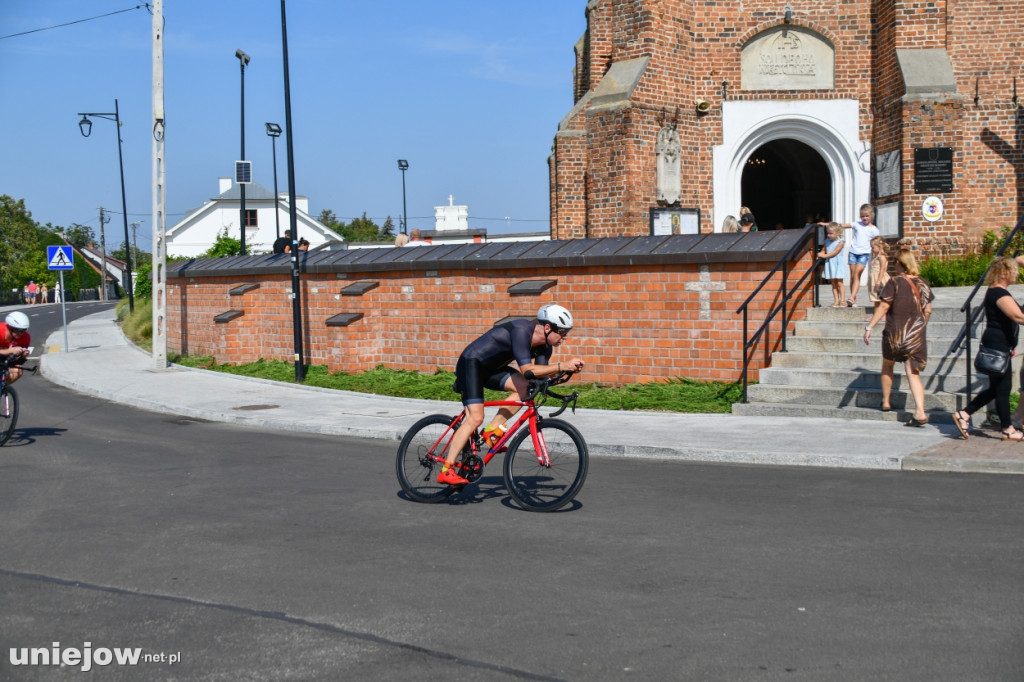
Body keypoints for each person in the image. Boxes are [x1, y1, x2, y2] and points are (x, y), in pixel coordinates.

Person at [438, 304, 585, 485]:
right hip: (472, 363)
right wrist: (563, 365)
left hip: (493, 369)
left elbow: (540, 374)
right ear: (547, 328)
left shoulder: (545, 346)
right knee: (475, 418)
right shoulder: (521, 331)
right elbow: (528, 370)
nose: (564, 337)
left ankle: (491, 432)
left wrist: (565, 373)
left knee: (525, 387)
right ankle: (446, 469)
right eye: (562, 332)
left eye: (566, 332)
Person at [951, 256, 1024, 440]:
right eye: (1014, 271)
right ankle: (1007, 429)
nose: (1017, 273)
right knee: (1003, 389)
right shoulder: (999, 294)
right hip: (997, 345)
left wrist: (1012, 344)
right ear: (1005, 272)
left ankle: (964, 414)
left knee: (996, 388)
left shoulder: (996, 292)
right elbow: (1018, 317)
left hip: (1000, 344)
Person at [863, 249, 934, 425]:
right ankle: (920, 411)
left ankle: (886, 402)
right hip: (915, 335)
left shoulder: (894, 282)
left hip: (895, 332)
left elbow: (884, 306)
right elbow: (928, 310)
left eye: (896, 263)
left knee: (888, 364)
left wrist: (870, 326)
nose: (895, 266)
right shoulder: (923, 283)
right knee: (913, 372)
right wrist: (921, 325)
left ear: (901, 264)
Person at [838, 203, 879, 307]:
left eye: (867, 216)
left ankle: (851, 297)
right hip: (853, 252)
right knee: (852, 276)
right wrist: (827, 225)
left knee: (857, 274)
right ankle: (853, 299)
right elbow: (842, 226)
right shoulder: (857, 224)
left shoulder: (874, 229)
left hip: (864, 254)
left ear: (871, 215)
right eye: (862, 216)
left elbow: (877, 243)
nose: (864, 218)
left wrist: (875, 258)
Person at [817, 222, 849, 307]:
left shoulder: (841, 242)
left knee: (839, 282)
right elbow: (824, 250)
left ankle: (843, 300)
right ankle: (836, 300)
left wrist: (824, 256)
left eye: (831, 233)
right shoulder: (827, 241)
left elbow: (834, 253)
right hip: (830, 264)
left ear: (838, 233)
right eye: (828, 233)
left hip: (837, 263)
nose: (829, 235)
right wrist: (820, 254)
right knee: (833, 283)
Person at [0, 311, 31, 385]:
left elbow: (16, 361)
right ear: (9, 327)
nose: (20, 333)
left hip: (3, 357)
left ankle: (1, 388)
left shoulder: (25, 337)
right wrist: (11, 350)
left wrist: (22, 356)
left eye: (23, 330)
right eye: (17, 330)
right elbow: (11, 351)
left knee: (17, 371)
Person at [867, 235, 890, 317]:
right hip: (874, 279)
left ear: (879, 246)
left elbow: (882, 269)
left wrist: (879, 280)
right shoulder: (876, 256)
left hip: (879, 279)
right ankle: (876, 315)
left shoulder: (882, 257)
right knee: (876, 299)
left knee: (879, 299)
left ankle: (880, 315)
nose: (871, 249)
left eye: (873, 247)